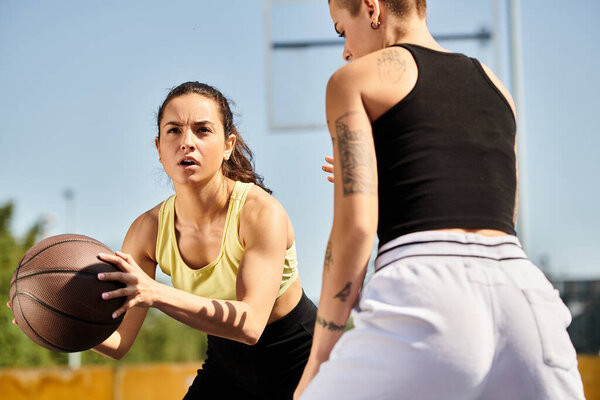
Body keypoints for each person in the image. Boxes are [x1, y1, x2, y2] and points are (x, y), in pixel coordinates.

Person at [294, 1, 585, 399]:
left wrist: (319, 360)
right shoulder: (495, 85)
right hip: (526, 301)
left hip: (427, 295)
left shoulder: (352, 80)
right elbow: (498, 209)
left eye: (342, 30)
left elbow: (357, 229)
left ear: (371, 8)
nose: (345, 49)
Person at [92, 81, 316, 400]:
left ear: (228, 145)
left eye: (202, 130)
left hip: (302, 361)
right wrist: (53, 324)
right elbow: (118, 343)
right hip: (226, 368)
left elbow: (251, 325)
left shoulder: (259, 212)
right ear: (158, 148)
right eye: (174, 131)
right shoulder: (147, 230)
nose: (187, 143)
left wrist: (156, 293)